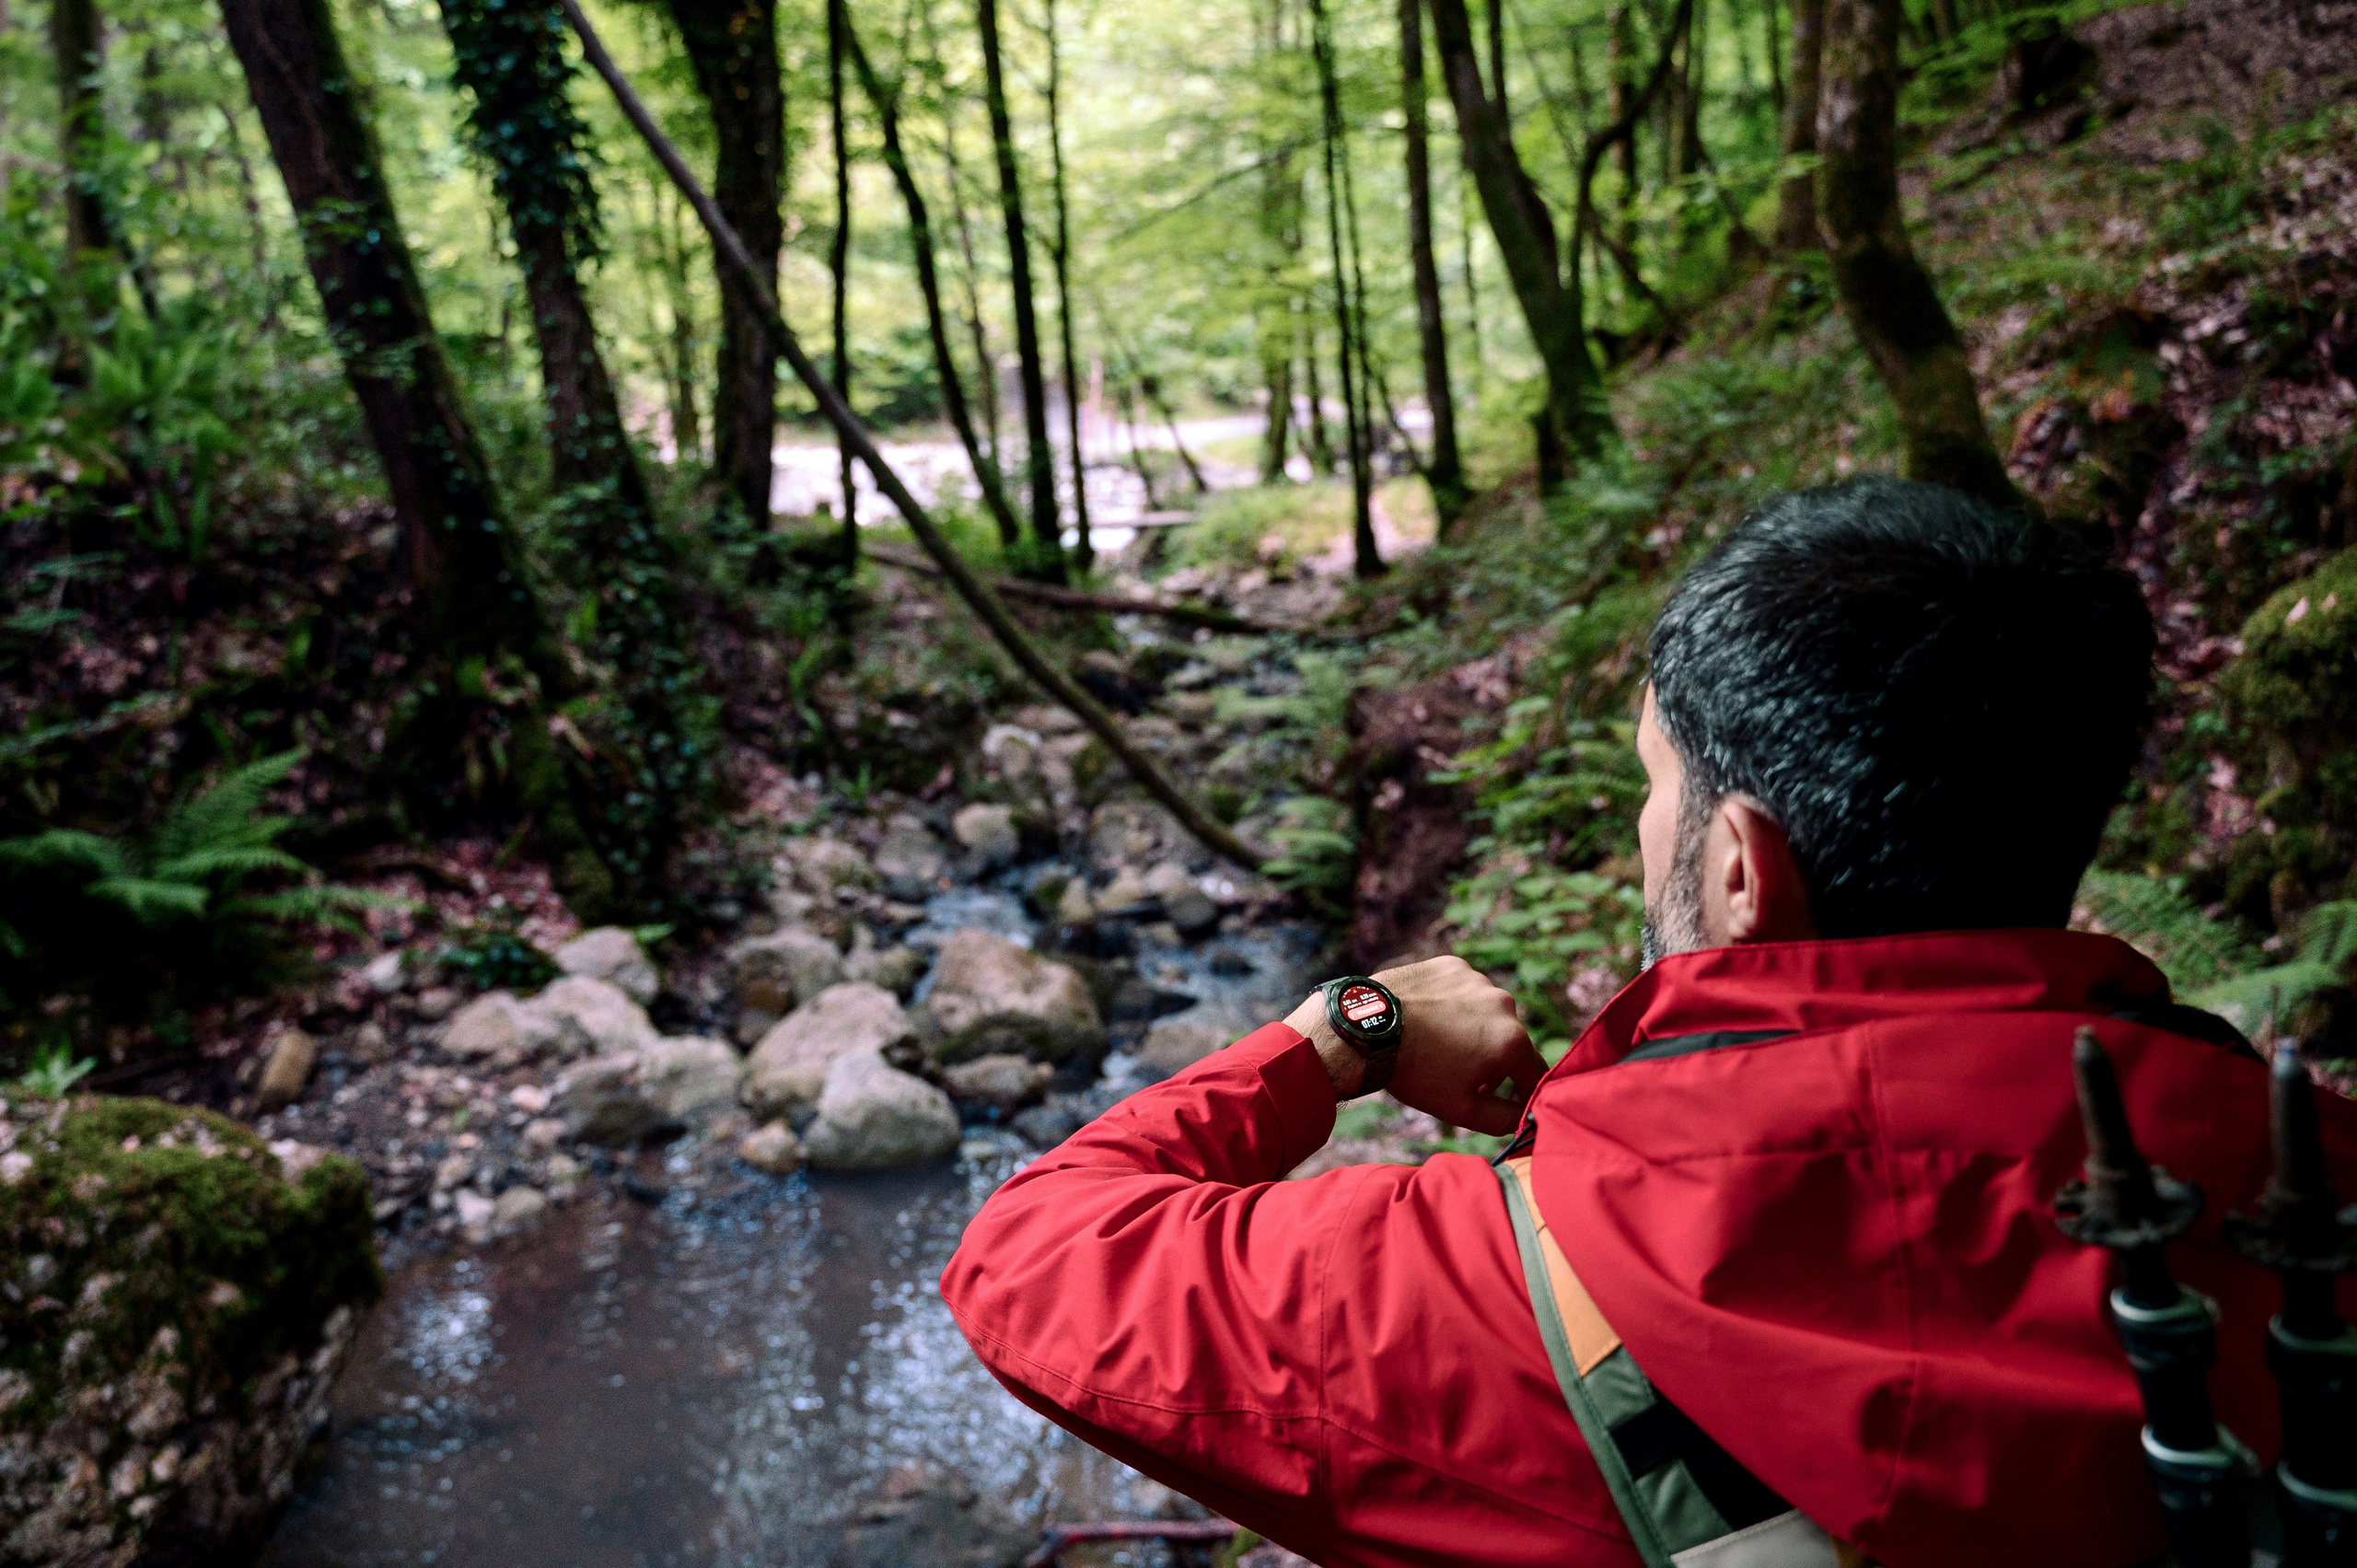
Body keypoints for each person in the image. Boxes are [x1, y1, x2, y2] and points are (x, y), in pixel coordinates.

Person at [939, 478, 2357, 1568]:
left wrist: (1348, 1030)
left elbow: (1030, 1259)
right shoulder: (2309, 1181)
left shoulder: (1490, 1290)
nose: (1640, 827)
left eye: (1652, 782)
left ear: (1740, 869)